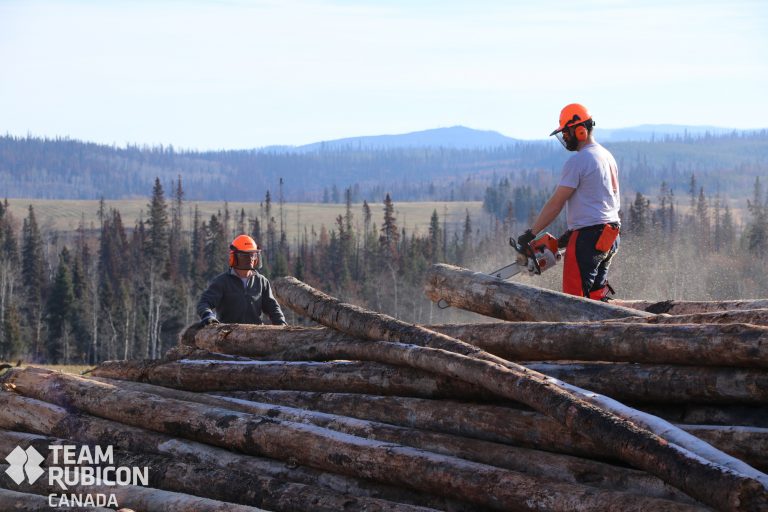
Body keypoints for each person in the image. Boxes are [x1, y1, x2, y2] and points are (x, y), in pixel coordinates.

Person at [517, 103, 620, 300]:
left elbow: (556, 203)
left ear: (580, 130)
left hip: (589, 238)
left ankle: (580, 331)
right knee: (596, 296)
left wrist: (531, 233)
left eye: (566, 132)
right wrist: (571, 235)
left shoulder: (579, 161)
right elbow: (603, 203)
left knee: (576, 300)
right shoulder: (607, 156)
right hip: (610, 235)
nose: (564, 137)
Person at [197, 234, 287, 325]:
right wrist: (208, 316)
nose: (251, 259)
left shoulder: (261, 282)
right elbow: (204, 303)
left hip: (257, 335)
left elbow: (273, 308)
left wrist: (282, 324)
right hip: (227, 335)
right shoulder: (222, 282)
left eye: (253, 255)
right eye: (246, 255)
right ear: (234, 257)